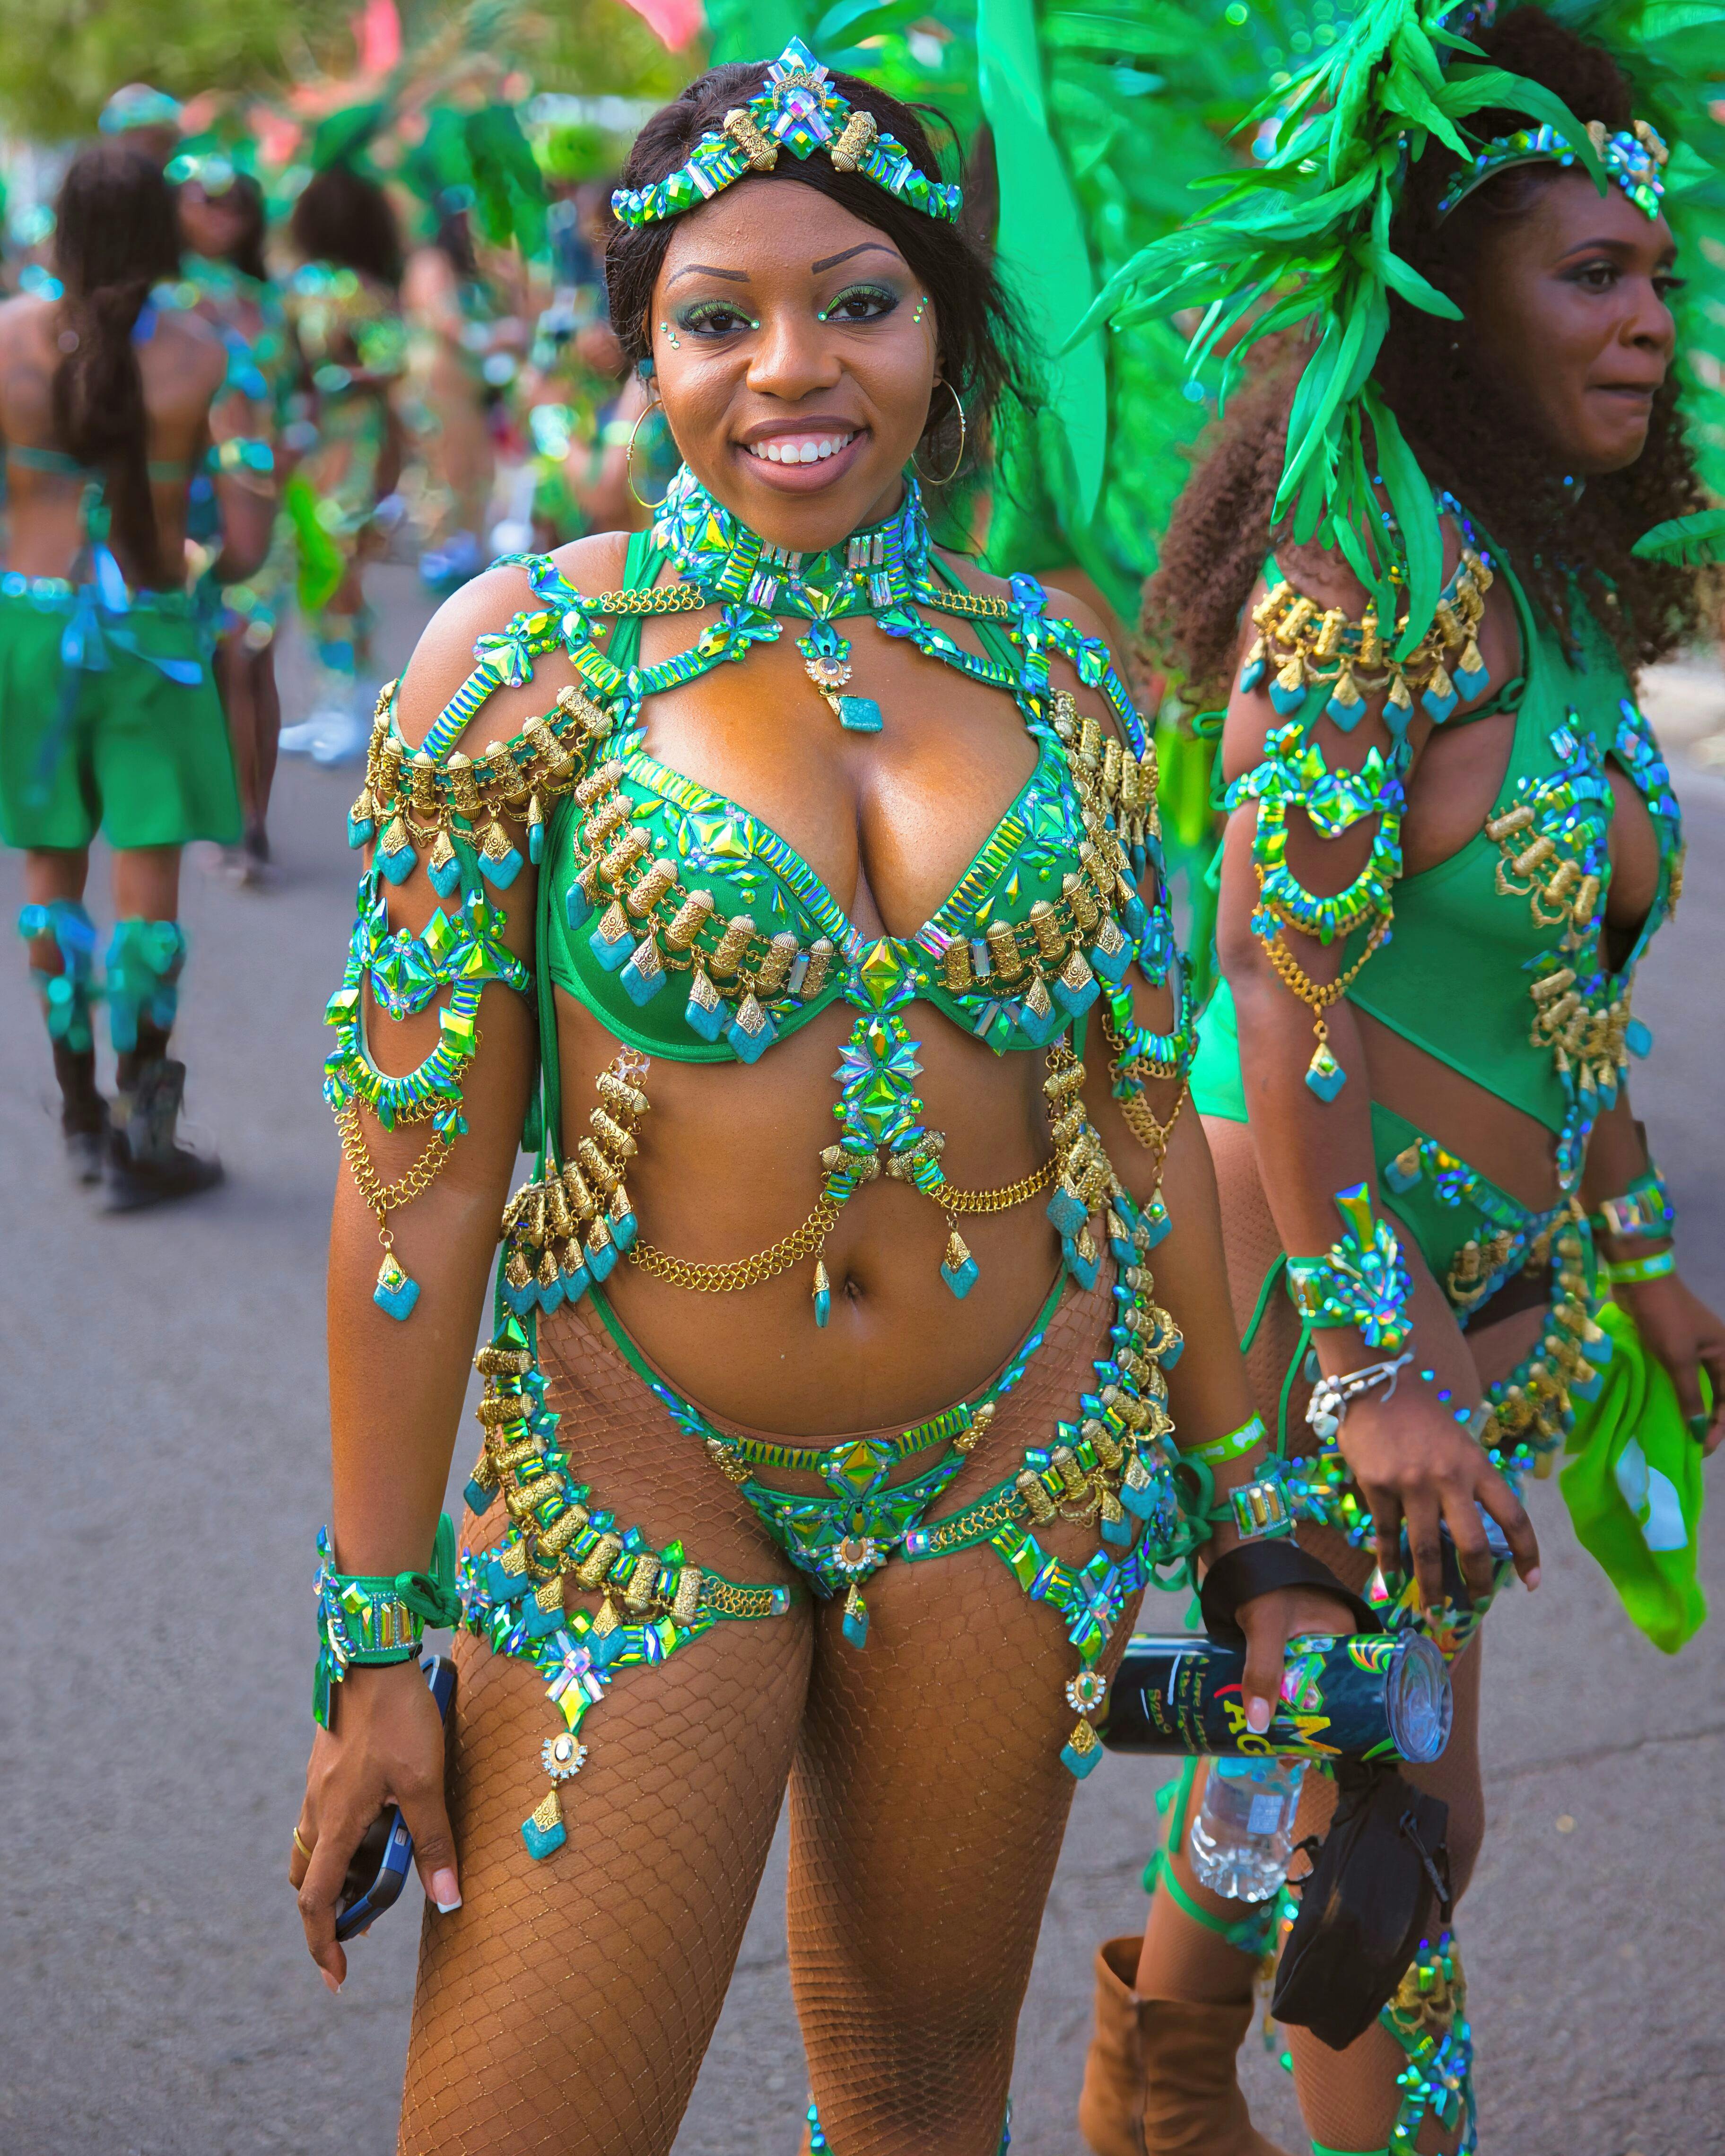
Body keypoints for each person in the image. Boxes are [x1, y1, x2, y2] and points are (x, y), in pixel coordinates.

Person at [289, 46, 1363, 2155]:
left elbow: (1147, 1138)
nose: (791, 367)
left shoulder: (1055, 658)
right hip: (637, 1483)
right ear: (645, 346)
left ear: (943, 333)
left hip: (1014, 1477)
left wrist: (1262, 1531)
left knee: (918, 2101)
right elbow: (410, 1188)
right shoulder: (525, 654)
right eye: (717, 316)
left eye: (857, 301)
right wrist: (371, 1636)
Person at [1076, 11, 1724, 2156]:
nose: (1647, 313)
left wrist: (1633, 1259)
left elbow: (1559, 982)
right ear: (1449, 305)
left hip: (1474, 1300)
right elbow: (1278, 988)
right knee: (1400, 1816)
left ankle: (1161, 2078)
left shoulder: (1550, 571)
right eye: (1588, 275)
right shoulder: (1372, 577)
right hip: (1305, 1283)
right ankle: (1199, 2088)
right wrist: (1374, 1368)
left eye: (1655, 273)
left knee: (1320, 1764)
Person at [0, 145, 273, 1201]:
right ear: (163, 231)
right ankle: (141, 1134)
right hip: (151, 637)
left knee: (47, 871)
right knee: (147, 877)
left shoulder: (6, 340)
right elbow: (247, 546)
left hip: (25, 632)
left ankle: (76, 1122)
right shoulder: (215, 354)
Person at [176, 165, 297, 882]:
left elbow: (297, 396)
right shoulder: (164, 299)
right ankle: (231, 815)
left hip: (271, 499)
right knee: (223, 657)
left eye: (238, 204)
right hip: (196, 500)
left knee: (257, 656)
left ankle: (252, 820)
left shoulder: (268, 301)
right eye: (208, 201)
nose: (225, 216)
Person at [278, 161, 407, 765]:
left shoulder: (351, 290)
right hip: (312, 446)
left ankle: (358, 704)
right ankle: (334, 701)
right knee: (315, 570)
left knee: (339, 573)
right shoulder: (309, 285)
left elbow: (393, 362)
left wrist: (340, 376)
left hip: (350, 445)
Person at [404, 199, 523, 591]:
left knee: (476, 468)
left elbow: (516, 310)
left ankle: (467, 546)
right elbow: (444, 319)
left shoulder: (479, 268)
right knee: (443, 465)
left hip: (473, 391)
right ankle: (441, 550)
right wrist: (489, 338)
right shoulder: (431, 263)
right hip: (439, 385)